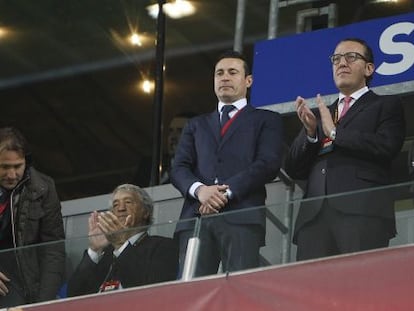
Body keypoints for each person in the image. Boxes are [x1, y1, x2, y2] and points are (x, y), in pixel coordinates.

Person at [285, 38, 406, 261]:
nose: (342, 63)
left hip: (363, 212)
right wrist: (311, 133)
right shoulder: (322, 114)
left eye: (351, 57)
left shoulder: (386, 105)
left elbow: (387, 146)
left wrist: (336, 133)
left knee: (358, 289)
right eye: (336, 59)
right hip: (314, 219)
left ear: (369, 68)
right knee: (310, 292)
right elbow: (292, 169)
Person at [171, 50, 284, 277]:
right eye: (219, 73)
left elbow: (268, 163)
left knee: (239, 292)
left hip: (242, 215)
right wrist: (201, 190)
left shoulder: (267, 120)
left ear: (248, 80)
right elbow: (179, 167)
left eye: (232, 72)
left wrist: (225, 192)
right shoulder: (195, 124)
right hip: (196, 216)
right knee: (192, 294)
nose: (224, 78)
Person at [67, 184, 178, 297]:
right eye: (115, 205)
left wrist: (121, 245)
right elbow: (73, 294)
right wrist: (94, 250)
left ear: (146, 212)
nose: (121, 209)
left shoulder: (163, 246)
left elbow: (152, 291)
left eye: (128, 202)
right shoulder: (105, 253)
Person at [0, 127, 65, 308]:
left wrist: (43, 304)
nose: (12, 175)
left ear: (26, 162)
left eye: (17, 166)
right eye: (4, 167)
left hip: (24, 289)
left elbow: (53, 250)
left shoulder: (43, 188)